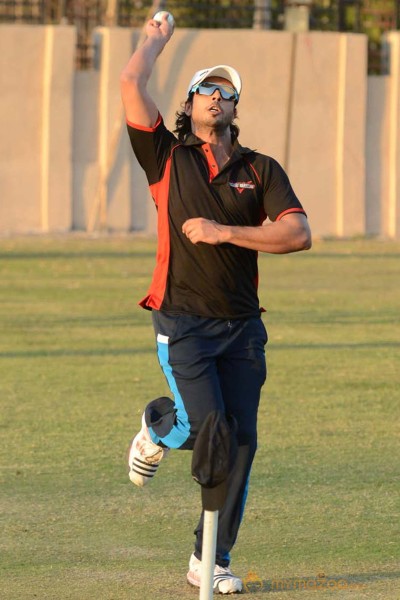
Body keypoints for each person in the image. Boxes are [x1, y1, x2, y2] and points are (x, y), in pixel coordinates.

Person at [120, 14, 312, 595]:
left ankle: (212, 559)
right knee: (212, 432)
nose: (217, 96)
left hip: (243, 329)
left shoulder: (260, 169)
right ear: (191, 102)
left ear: (235, 108)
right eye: (207, 87)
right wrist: (156, 37)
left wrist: (225, 233)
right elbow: (131, 84)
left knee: (241, 442)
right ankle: (159, 425)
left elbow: (297, 233)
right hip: (183, 323)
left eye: (227, 91)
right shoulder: (167, 158)